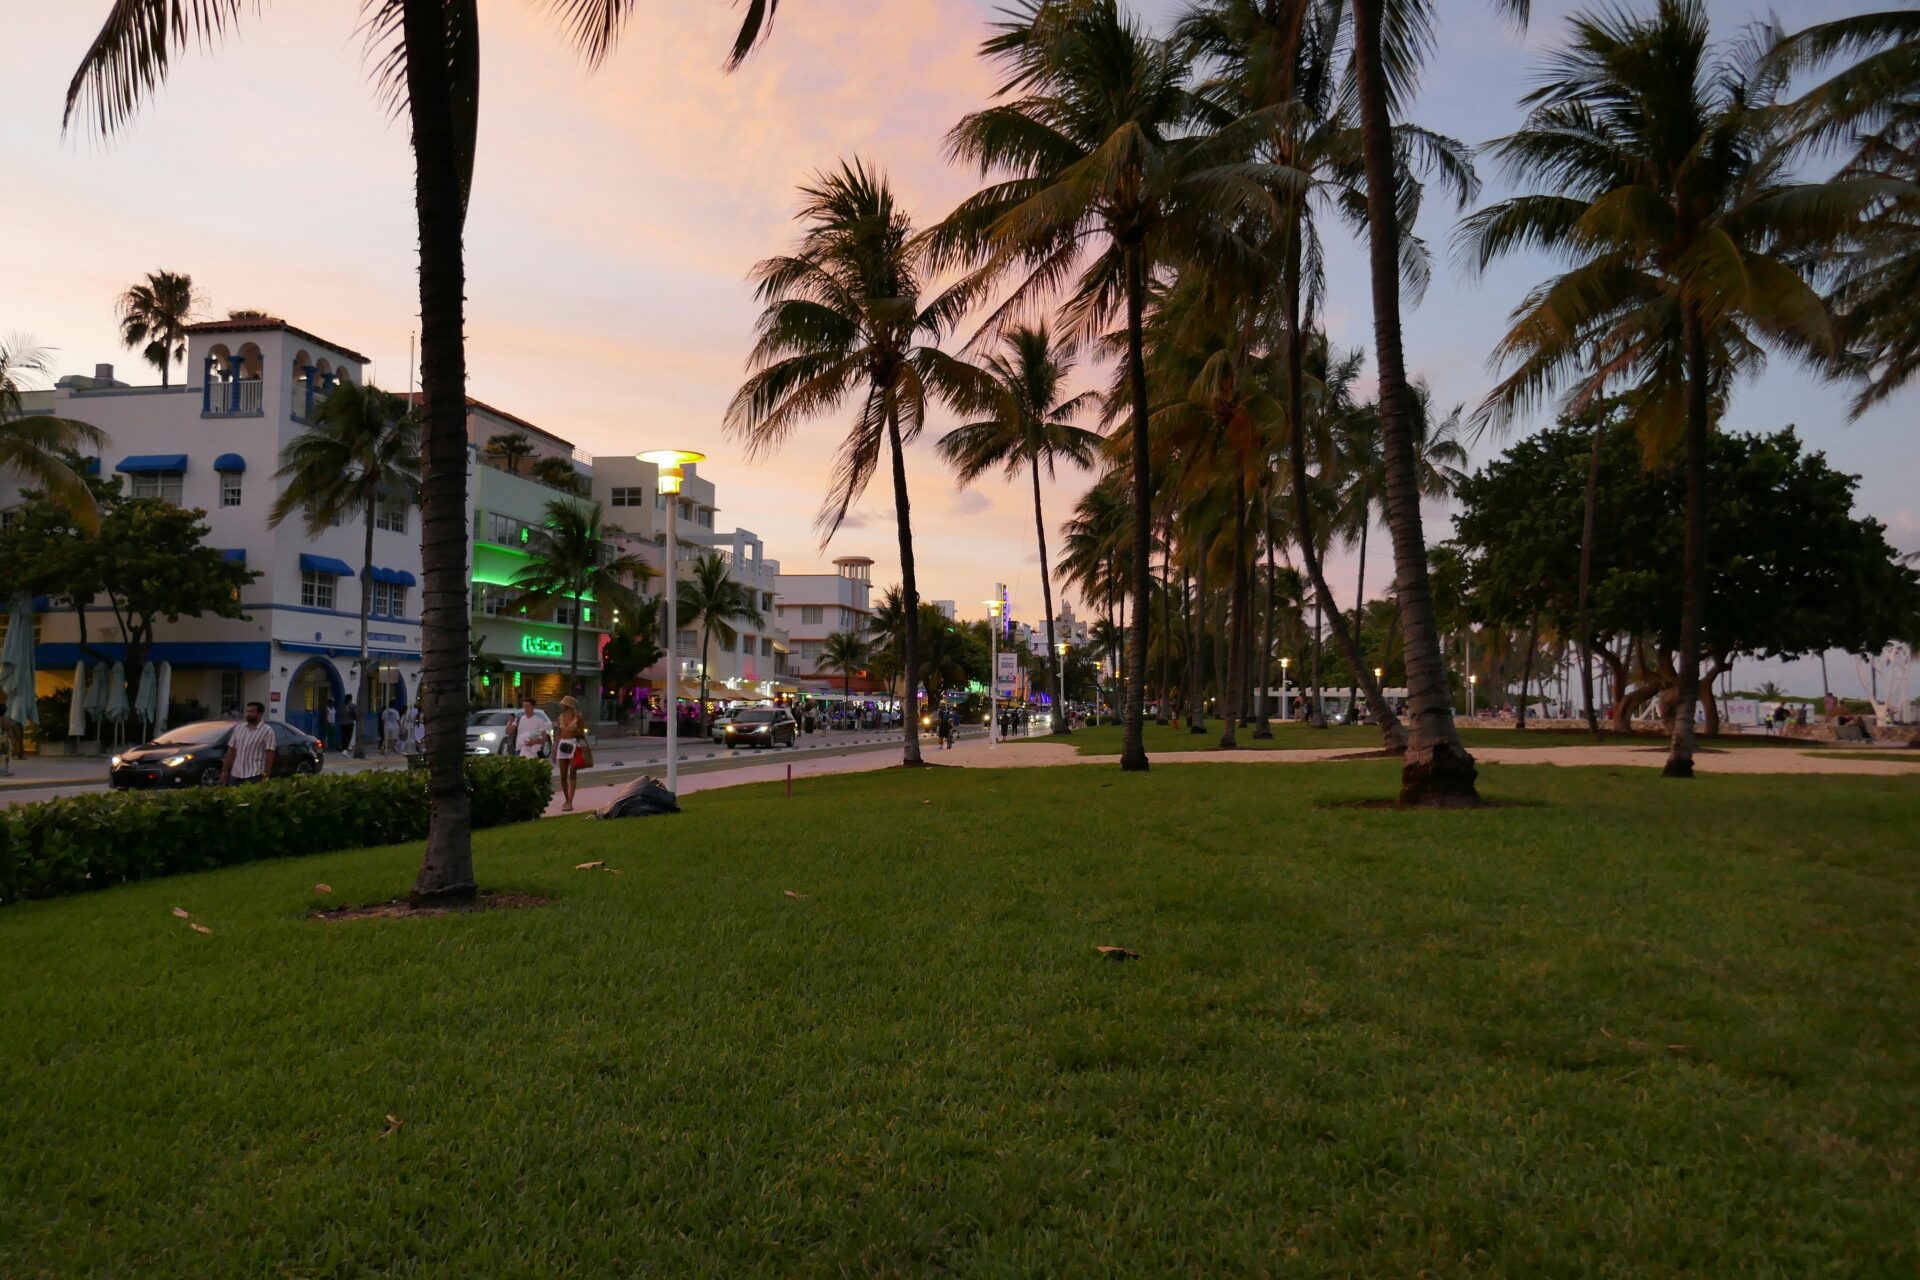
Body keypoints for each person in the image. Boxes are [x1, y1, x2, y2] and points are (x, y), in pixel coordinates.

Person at [221, 701, 276, 786]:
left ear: (259, 714)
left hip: (255, 774)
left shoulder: (267, 731)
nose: (248, 714)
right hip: (236, 774)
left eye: (251, 712)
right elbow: (231, 750)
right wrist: (225, 770)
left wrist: (266, 775)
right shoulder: (239, 729)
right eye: (247, 711)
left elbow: (270, 754)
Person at [553, 694, 588, 811]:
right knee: (563, 776)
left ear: (569, 706)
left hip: (573, 745)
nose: (562, 706)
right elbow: (558, 734)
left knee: (572, 773)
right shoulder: (560, 717)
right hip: (563, 745)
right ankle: (566, 798)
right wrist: (554, 750)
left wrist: (578, 731)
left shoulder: (578, 717)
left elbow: (583, 734)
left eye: (564, 705)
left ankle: (570, 802)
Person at [514, 696, 553, 762]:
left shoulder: (539, 721)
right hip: (519, 749)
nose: (525, 708)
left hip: (532, 751)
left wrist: (534, 742)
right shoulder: (521, 719)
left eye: (527, 706)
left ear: (533, 707)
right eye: (524, 706)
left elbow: (545, 738)